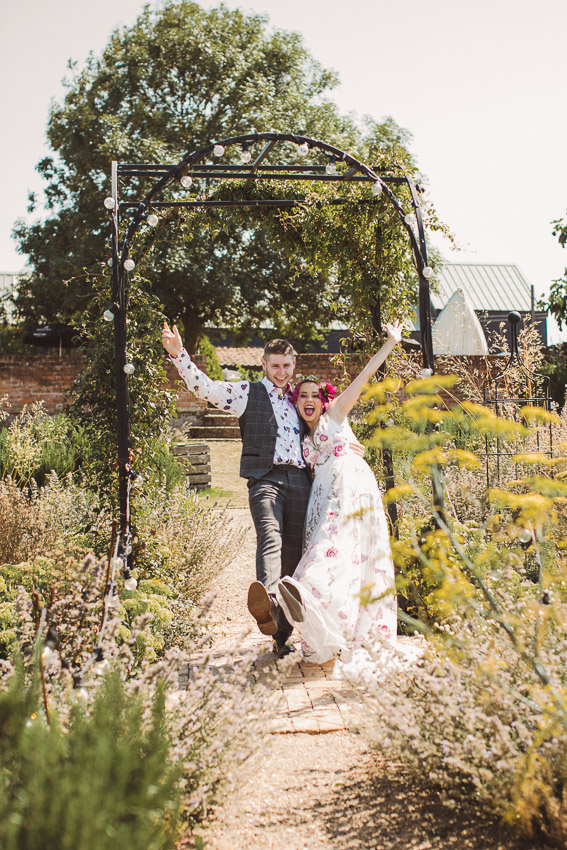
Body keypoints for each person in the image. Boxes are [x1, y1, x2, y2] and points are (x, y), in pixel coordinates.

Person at [161, 322, 311, 657]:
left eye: (287, 366)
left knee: (293, 554)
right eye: (275, 366)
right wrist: (179, 356)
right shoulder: (247, 393)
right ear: (264, 365)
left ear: (294, 365)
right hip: (265, 478)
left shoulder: (303, 398)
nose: (282, 372)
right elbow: (206, 388)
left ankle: (280, 634)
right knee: (269, 535)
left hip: (301, 480)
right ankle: (269, 601)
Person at [276, 322, 402, 666]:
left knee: (333, 544)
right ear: (297, 403)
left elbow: (362, 378)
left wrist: (390, 343)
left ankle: (305, 591)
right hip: (322, 492)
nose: (309, 400)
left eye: (315, 394)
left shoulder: (335, 415)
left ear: (324, 399)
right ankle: (325, 631)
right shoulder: (300, 436)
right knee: (344, 555)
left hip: (348, 484)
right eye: (302, 395)